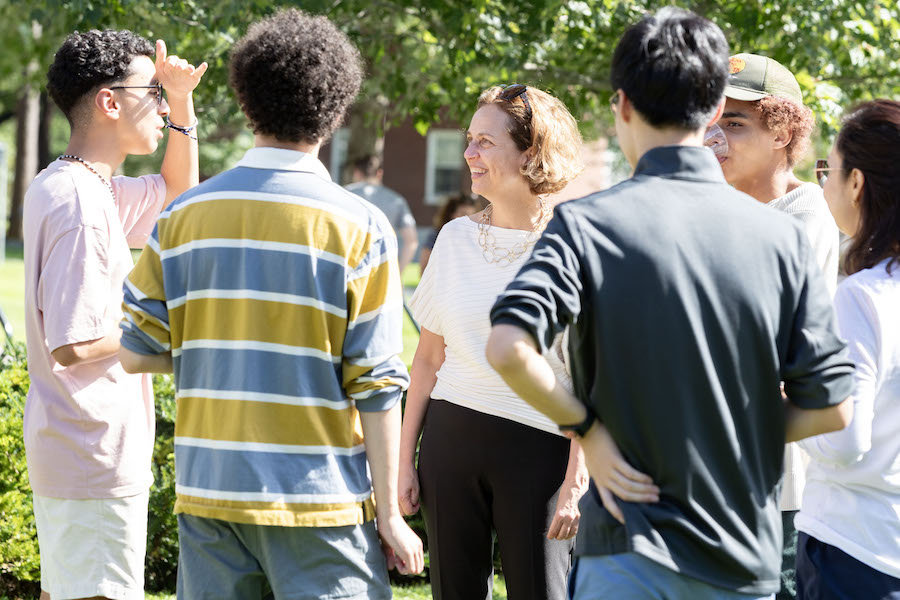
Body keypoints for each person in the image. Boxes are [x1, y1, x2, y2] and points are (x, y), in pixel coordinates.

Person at [485, 7, 856, 599]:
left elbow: (507, 345)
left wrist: (591, 432)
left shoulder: (587, 224)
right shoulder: (780, 238)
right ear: (712, 112)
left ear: (623, 105)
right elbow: (834, 406)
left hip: (624, 547)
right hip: (739, 550)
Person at [117, 9, 423, 598]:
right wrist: (389, 514)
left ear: (246, 101)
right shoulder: (360, 226)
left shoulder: (182, 218)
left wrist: (219, 351)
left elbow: (135, 352)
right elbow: (378, 383)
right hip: (319, 503)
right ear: (334, 111)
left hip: (209, 494)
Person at [22, 29, 205, 599]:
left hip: (82, 448)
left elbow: (177, 194)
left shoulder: (80, 185)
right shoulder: (79, 201)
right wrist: (170, 344)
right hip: (92, 449)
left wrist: (180, 99)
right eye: (151, 92)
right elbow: (72, 344)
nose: (160, 105)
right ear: (108, 101)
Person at [400, 83, 587, 600]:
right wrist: (403, 460)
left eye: (485, 142)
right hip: (450, 439)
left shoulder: (576, 248)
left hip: (541, 449)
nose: (468, 154)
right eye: (469, 140)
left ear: (531, 153)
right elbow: (428, 360)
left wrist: (575, 481)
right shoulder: (455, 239)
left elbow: (595, 381)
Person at [714, 52, 842, 599]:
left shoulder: (806, 213)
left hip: (776, 488)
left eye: (735, 123)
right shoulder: (715, 211)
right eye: (711, 122)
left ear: (783, 131)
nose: (715, 138)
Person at [794, 99, 900, 599]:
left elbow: (842, 440)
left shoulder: (862, 296)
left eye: (827, 170)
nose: (823, 184)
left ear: (856, 183)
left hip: (853, 548)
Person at [346, 154, 419, 274]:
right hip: (383, 268)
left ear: (356, 172)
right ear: (379, 173)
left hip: (350, 266)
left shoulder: (344, 194)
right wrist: (398, 272)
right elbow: (411, 240)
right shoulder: (396, 200)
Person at [419, 192, 482, 272]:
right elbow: (424, 268)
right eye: (463, 214)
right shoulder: (436, 235)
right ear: (452, 214)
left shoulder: (479, 238)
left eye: (472, 215)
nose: (468, 219)